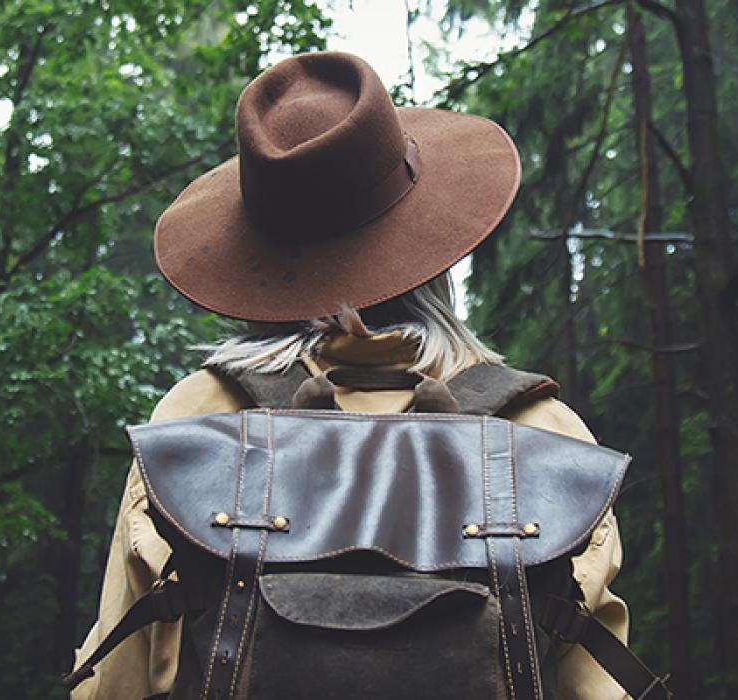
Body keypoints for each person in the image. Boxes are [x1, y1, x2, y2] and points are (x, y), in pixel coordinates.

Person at [72, 51, 633, 700]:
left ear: (257, 250)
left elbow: (113, 686)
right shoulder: (543, 434)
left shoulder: (194, 420)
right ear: (431, 250)